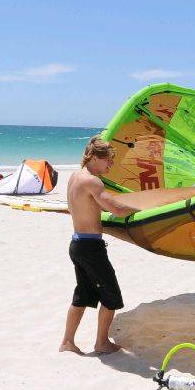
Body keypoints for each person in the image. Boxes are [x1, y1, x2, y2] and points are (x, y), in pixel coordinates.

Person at [59, 137, 131, 355]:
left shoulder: (75, 177)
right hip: (91, 249)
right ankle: (102, 343)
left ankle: (67, 342)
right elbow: (117, 209)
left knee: (83, 294)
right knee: (111, 295)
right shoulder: (93, 181)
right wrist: (142, 207)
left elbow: (84, 207)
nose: (111, 164)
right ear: (94, 157)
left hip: (77, 244)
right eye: (108, 160)